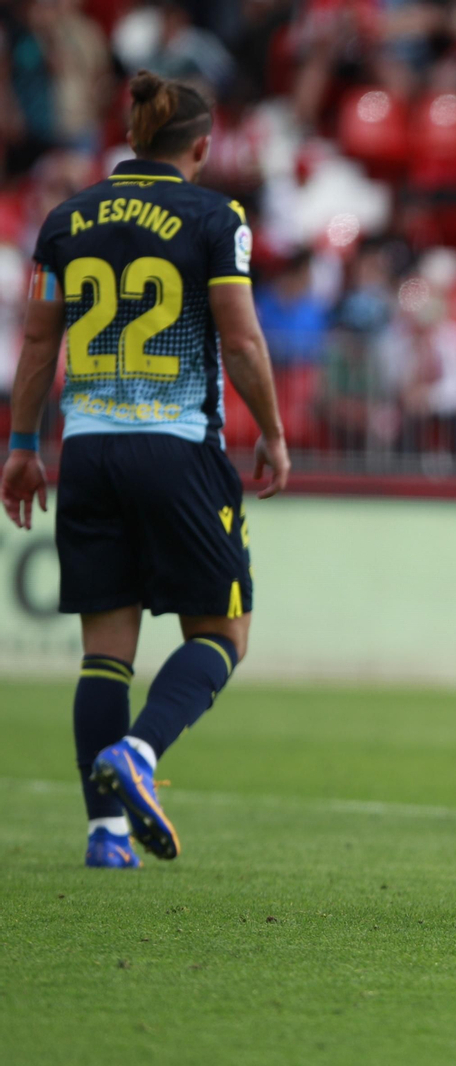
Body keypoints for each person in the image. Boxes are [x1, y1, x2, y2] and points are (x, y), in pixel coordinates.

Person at [0, 71, 289, 867]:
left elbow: (35, 344)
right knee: (223, 630)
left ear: (133, 137)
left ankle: (105, 835)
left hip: (85, 448)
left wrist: (23, 447)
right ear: (201, 145)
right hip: (176, 447)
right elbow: (242, 340)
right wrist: (272, 430)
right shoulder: (213, 216)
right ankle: (141, 751)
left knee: (105, 651)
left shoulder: (66, 219)